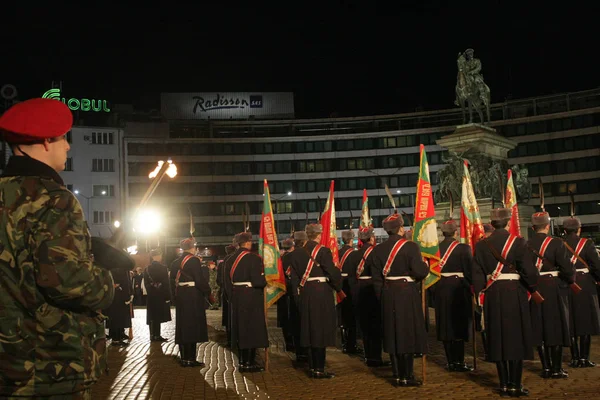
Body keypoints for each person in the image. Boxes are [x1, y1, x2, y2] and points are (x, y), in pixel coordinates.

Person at [0, 98, 132, 399]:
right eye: (63, 138)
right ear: (46, 142)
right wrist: (105, 279)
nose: (68, 147)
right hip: (47, 364)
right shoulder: (54, 199)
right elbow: (70, 283)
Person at [473, 208, 540, 397]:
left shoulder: (481, 245)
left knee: (498, 337)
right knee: (516, 338)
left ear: (492, 224)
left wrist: (479, 295)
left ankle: (503, 384)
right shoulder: (518, 242)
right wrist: (532, 287)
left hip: (493, 293)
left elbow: (477, 275)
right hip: (514, 292)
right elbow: (529, 271)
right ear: (508, 223)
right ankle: (515, 385)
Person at [370, 213, 429, 387]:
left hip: (388, 293)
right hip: (406, 293)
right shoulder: (410, 247)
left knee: (392, 333)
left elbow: (376, 280)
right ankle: (407, 375)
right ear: (401, 228)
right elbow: (419, 272)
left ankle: (396, 374)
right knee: (407, 333)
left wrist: (383, 296)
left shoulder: (378, 249)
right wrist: (425, 266)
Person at [288, 224, 343, 378]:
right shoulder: (323, 251)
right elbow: (332, 272)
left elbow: (294, 280)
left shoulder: (296, 253)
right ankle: (319, 368)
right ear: (319, 235)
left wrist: (297, 296)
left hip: (305, 292)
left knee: (310, 330)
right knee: (320, 330)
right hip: (321, 293)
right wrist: (337, 285)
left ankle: (313, 367)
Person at [527, 212, 575, 379]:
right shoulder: (556, 243)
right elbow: (568, 270)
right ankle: (556, 368)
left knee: (539, 328)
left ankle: (545, 367)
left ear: (533, 228)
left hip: (534, 288)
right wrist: (568, 280)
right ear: (548, 226)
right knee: (554, 327)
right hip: (553, 288)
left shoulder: (526, 244)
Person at [224, 232, 269, 372]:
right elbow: (257, 281)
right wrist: (266, 281)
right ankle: (249, 362)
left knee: (240, 328)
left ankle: (243, 360)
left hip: (237, 295)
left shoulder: (229, 259)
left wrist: (231, 297)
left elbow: (226, 283)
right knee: (252, 328)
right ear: (248, 243)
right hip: (251, 295)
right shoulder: (253, 258)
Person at [435, 219, 474, 372]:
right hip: (458, 289)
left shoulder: (437, 248)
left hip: (441, 289)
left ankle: (450, 360)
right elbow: (470, 271)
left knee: (445, 324)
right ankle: (459, 361)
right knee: (458, 324)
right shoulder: (463, 248)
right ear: (456, 232)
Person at [347, 226, 388, 367]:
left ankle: (368, 355)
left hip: (359, 291)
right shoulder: (376, 252)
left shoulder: (353, 255)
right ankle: (376, 357)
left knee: (364, 326)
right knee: (375, 325)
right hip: (373, 290)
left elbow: (352, 278)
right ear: (371, 238)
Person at [562, 215, 600, 368]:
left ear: (564, 230)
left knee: (570, 321)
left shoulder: (560, 244)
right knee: (585, 321)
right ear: (579, 229)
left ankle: (574, 357)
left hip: (567, 283)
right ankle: (584, 358)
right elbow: (596, 265)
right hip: (584, 283)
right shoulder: (587, 243)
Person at [172, 238, 211, 367]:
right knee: (192, 326)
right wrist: (208, 291)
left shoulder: (176, 262)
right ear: (192, 247)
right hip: (192, 295)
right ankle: (190, 358)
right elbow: (199, 279)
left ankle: (184, 356)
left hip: (181, 295)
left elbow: (172, 280)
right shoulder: (193, 260)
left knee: (183, 326)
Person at [144, 248, 172, 342]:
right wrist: (168, 296)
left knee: (151, 315)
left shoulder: (146, 269)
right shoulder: (163, 268)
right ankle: (157, 335)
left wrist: (151, 290)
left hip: (151, 295)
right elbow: (166, 283)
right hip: (160, 295)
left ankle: (152, 335)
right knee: (158, 316)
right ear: (159, 256)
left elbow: (146, 284)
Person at [338, 229, 359, 354]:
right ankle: (351, 344)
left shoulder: (338, 253)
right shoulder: (354, 254)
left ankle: (343, 342)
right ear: (352, 240)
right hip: (351, 287)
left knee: (342, 316)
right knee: (351, 317)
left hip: (339, 286)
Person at [105, 265, 134, 346]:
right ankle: (116, 339)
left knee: (119, 317)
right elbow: (123, 281)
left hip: (120, 294)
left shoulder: (120, 267)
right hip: (118, 295)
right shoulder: (118, 267)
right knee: (116, 317)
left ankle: (118, 336)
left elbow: (127, 281)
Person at [218, 242, 237, 347]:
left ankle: (229, 339)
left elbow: (218, 279)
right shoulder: (235, 260)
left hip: (225, 291)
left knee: (227, 316)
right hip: (235, 291)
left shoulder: (222, 263)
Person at [279, 237, 296, 351]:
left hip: (282, 291)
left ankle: (288, 343)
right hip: (293, 291)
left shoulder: (280, 259)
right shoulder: (295, 257)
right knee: (295, 318)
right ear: (293, 246)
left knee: (285, 319)